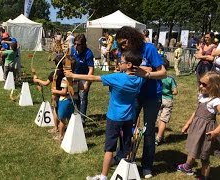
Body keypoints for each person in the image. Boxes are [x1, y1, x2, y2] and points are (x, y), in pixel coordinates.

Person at [65, 50, 144, 180]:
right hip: (129, 117)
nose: (119, 62)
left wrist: (73, 75)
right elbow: (145, 69)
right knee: (126, 146)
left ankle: (103, 177)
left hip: (114, 118)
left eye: (122, 61)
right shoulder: (140, 79)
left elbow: (93, 78)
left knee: (109, 148)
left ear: (129, 65)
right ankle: (125, 172)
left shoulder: (117, 78)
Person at [114, 26, 167, 179]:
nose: (122, 47)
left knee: (148, 130)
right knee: (127, 126)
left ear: (131, 38)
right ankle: (122, 158)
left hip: (152, 95)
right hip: (133, 95)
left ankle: (147, 166)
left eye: (124, 43)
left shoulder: (149, 48)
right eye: (120, 44)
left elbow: (163, 73)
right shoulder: (125, 52)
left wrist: (147, 73)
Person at [178, 71, 220, 180]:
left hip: (206, 131)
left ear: (214, 86)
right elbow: (196, 112)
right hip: (196, 128)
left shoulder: (215, 101)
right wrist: (188, 123)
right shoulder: (202, 96)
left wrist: (216, 132)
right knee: (193, 147)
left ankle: (203, 176)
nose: (201, 86)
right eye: (200, 83)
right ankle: (187, 166)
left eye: (204, 84)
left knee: (204, 156)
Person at [32, 56, 66, 135]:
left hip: (56, 94)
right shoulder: (66, 73)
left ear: (56, 63)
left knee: (55, 111)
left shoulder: (54, 73)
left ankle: (56, 128)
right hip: (64, 94)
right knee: (60, 111)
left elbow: (46, 83)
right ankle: (60, 126)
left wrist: (37, 80)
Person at [70, 34, 94, 124]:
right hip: (75, 76)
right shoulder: (72, 50)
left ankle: (82, 119)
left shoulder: (88, 53)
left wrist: (87, 83)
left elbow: (91, 69)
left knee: (83, 96)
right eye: (75, 43)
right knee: (75, 96)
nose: (76, 46)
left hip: (85, 76)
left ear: (83, 44)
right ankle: (78, 112)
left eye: (78, 44)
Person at [155, 60, 178, 145]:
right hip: (168, 100)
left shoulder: (157, 78)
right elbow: (175, 91)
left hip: (158, 99)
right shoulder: (170, 79)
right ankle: (159, 138)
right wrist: (169, 92)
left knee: (159, 118)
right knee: (164, 120)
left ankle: (161, 136)